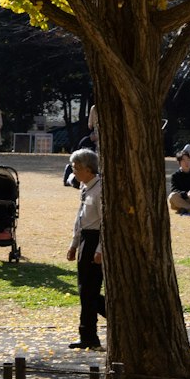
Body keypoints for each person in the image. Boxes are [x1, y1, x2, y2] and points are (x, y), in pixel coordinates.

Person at [65, 146, 104, 350]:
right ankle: (87, 335)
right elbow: (80, 219)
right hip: (84, 240)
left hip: (95, 241)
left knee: (90, 291)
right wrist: (73, 245)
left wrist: (100, 250)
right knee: (84, 291)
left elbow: (105, 224)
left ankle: (117, 319)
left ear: (88, 169)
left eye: (76, 168)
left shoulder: (99, 190)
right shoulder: (85, 187)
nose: (74, 172)